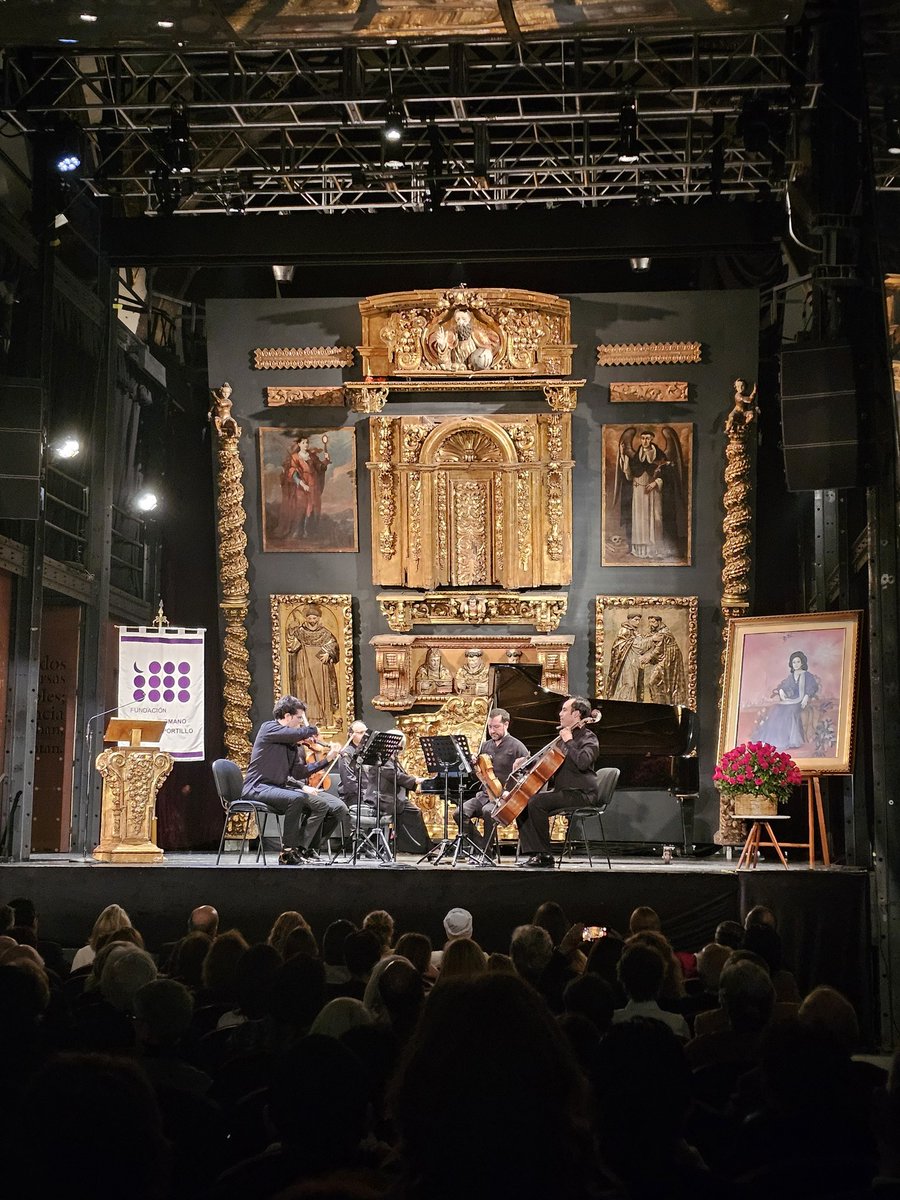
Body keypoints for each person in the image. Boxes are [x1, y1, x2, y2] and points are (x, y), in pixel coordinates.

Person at [241, 695, 350, 865]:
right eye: (299, 718)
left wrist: (327, 759)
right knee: (297, 798)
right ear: (287, 716)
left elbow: (300, 773)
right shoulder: (268, 728)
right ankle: (287, 852)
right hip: (258, 787)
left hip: (278, 788)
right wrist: (313, 731)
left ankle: (303, 849)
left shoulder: (291, 745)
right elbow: (297, 732)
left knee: (335, 807)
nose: (300, 722)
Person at [515, 696, 600, 868]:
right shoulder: (562, 739)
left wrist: (569, 740)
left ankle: (545, 856)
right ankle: (535, 853)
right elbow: (548, 762)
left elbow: (583, 762)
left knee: (537, 802)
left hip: (582, 793)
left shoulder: (588, 738)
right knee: (521, 803)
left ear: (576, 714)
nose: (560, 714)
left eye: (564, 710)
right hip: (564, 791)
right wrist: (526, 762)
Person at [454, 707, 528, 850]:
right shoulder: (485, 746)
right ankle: (482, 847)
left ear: (506, 725)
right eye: (490, 727)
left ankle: (487, 853)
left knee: (489, 812)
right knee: (459, 813)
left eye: (496, 727)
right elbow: (479, 774)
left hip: (504, 798)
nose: (492, 731)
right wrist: (474, 763)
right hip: (484, 794)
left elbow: (524, 777)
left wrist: (509, 792)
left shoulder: (518, 747)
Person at [616, 426, 682, 560]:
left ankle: (654, 550)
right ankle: (639, 550)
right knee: (639, 519)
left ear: (651, 439)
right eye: (643, 438)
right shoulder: (635, 457)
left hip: (654, 491)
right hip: (638, 491)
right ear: (640, 440)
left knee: (655, 518)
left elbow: (667, 473)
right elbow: (629, 475)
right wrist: (623, 456)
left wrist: (656, 482)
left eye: (648, 438)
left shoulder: (660, 456)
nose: (645, 441)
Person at [285, 606, 340, 729]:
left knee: (320, 691)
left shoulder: (325, 633)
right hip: (304, 664)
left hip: (320, 667)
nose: (312, 620)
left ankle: (323, 718)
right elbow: (291, 646)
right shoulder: (300, 632)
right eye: (309, 618)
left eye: (314, 618)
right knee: (306, 690)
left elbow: (333, 644)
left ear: (318, 618)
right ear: (306, 618)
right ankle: (306, 719)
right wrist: (291, 631)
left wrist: (328, 653)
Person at [754, 649, 819, 751]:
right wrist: (781, 691)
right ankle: (773, 739)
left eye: (798, 662)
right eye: (794, 662)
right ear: (791, 664)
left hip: (801, 701)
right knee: (776, 708)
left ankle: (789, 740)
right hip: (791, 700)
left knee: (790, 711)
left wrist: (807, 696)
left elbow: (813, 687)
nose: (796, 664)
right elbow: (784, 686)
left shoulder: (807, 675)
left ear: (802, 662)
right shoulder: (791, 676)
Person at [275, 433, 329, 539]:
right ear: (299, 444)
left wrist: (325, 461)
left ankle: (309, 532)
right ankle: (297, 531)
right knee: (301, 507)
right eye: (303, 442)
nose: (306, 445)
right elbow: (292, 472)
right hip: (301, 485)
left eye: (307, 442)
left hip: (313, 484)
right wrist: (302, 484)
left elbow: (320, 467)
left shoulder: (312, 456)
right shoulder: (295, 457)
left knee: (312, 507)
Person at [640, 612, 688, 705]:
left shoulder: (664, 633)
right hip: (664, 659)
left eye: (653, 622)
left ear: (659, 621)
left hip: (669, 660)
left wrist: (648, 657)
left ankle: (660, 703)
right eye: (649, 622)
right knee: (658, 683)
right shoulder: (657, 631)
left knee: (654, 681)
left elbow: (658, 649)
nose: (651, 624)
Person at [606, 612, 647, 700]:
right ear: (629, 620)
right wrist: (635, 640)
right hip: (625, 661)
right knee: (629, 683)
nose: (638, 622)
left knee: (634, 684)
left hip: (634, 661)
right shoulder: (625, 630)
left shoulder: (635, 632)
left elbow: (640, 646)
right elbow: (619, 645)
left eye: (639, 620)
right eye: (636, 620)